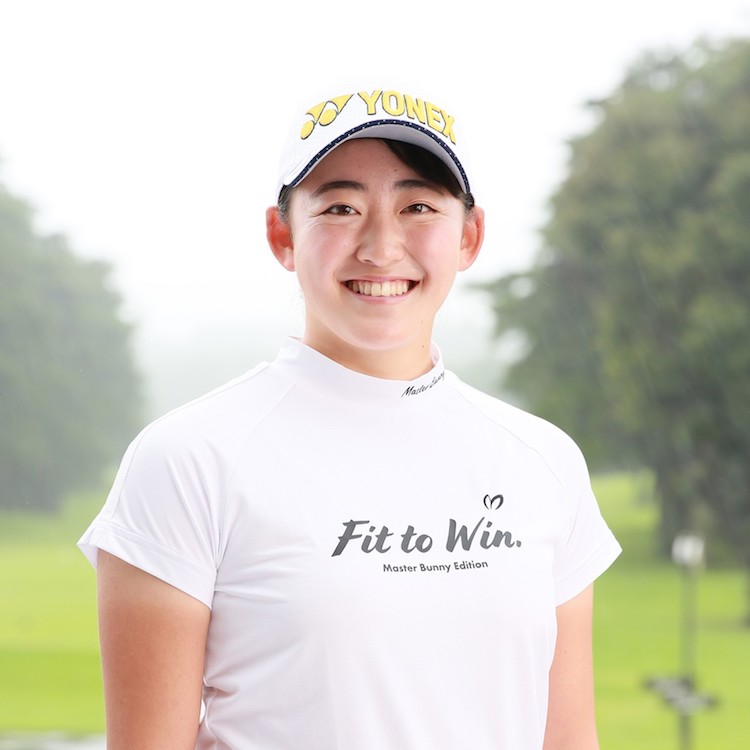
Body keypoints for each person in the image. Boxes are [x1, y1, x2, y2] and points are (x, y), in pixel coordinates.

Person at [79, 87, 621, 749]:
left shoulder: (544, 462)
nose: (381, 247)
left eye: (418, 207)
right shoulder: (188, 460)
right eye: (340, 207)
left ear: (469, 236)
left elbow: (568, 738)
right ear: (283, 235)